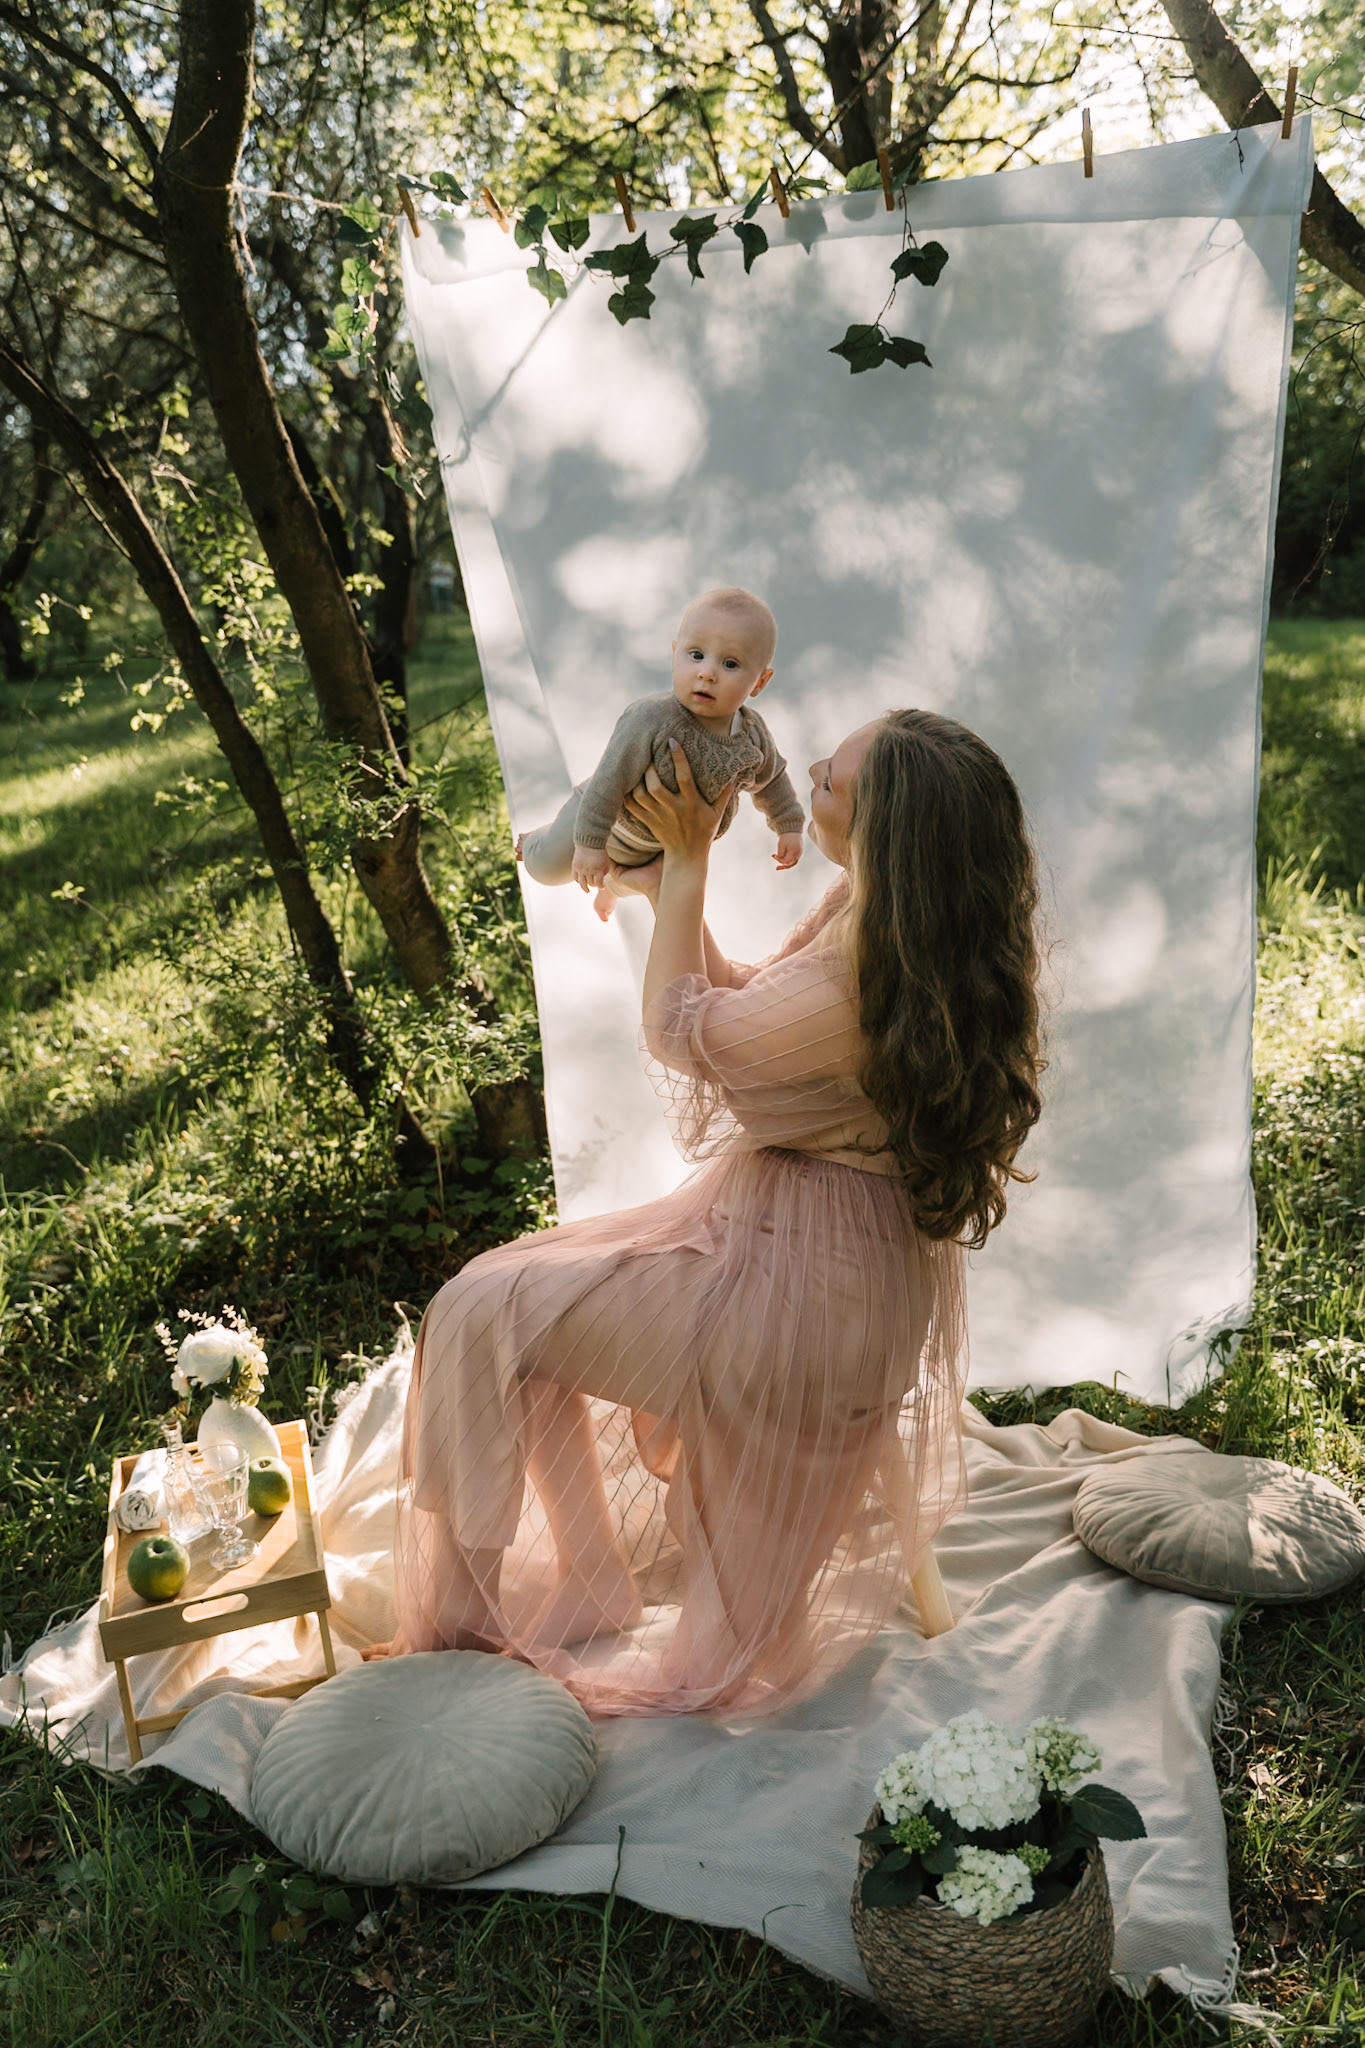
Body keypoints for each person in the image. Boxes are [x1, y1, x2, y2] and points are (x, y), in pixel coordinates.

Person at [369, 709, 1044, 1718]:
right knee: (506, 1293)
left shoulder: (867, 972)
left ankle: (462, 1630)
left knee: (479, 1311)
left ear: (887, 833)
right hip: (816, 1245)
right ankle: (589, 1573)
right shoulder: (891, 920)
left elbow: (686, 1029)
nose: (809, 768)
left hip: (807, 1300)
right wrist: (662, 891)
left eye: (831, 780)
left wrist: (688, 867)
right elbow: (747, 1000)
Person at [515, 587, 805, 920]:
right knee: (547, 869)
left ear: (760, 682)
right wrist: (590, 843)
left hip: (663, 846)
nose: (707, 673)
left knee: (641, 883)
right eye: (696, 655)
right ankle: (534, 842)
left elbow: (773, 780)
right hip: (603, 820)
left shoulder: (753, 737)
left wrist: (788, 824)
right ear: (675, 653)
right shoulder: (651, 718)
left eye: (730, 663)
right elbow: (609, 781)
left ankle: (612, 889)